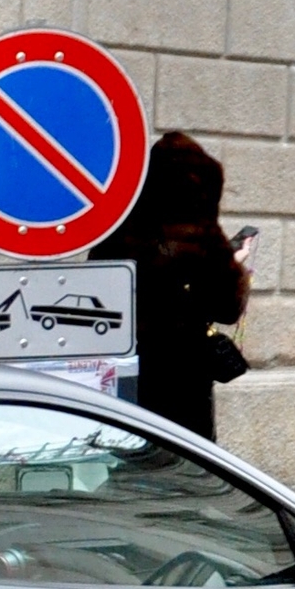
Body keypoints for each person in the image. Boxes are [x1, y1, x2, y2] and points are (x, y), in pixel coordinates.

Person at [89, 131, 251, 440]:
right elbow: (227, 306)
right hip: (183, 371)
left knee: (128, 455)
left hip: (124, 368)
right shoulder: (200, 235)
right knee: (184, 463)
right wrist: (238, 268)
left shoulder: (117, 230)